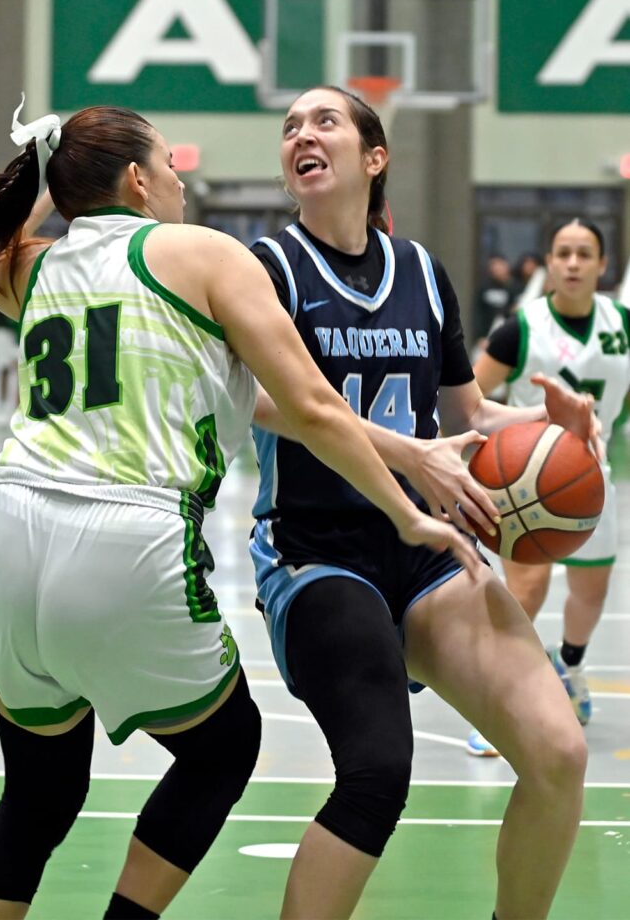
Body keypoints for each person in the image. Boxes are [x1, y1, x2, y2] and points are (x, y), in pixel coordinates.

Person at [0, 101, 480, 920]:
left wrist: (44, 174)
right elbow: (312, 404)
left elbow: (257, 399)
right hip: (126, 537)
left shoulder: (36, 266)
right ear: (137, 179)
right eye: (170, 165)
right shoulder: (201, 253)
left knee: (40, 791)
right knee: (223, 749)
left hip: (13, 542)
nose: (181, 182)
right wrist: (407, 514)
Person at [249, 86, 599, 920]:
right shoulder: (269, 269)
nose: (303, 132)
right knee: (377, 770)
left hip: (425, 548)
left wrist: (548, 424)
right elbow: (253, 397)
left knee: (558, 752)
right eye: (291, 126)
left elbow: (466, 414)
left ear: (374, 159)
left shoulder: (422, 273)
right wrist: (409, 459)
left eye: (324, 120)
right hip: (316, 550)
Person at [470, 219, 628, 754]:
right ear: (550, 263)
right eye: (564, 253)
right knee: (528, 590)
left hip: (591, 479)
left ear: (603, 266)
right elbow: (469, 393)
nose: (574, 263)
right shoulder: (522, 328)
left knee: (591, 591)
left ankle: (572, 668)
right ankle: (497, 699)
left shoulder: (623, 324)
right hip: (526, 483)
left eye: (585, 254)